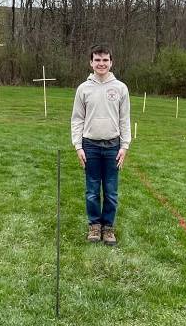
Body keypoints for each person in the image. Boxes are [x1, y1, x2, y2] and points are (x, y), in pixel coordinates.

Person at [71, 44, 131, 245]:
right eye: (97, 60)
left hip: (113, 146)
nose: (101, 63)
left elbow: (125, 119)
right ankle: (94, 226)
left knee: (111, 191)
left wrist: (124, 146)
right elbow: (77, 119)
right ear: (91, 63)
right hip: (91, 147)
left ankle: (108, 228)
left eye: (105, 60)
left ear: (111, 62)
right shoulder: (83, 89)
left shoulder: (121, 88)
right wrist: (78, 146)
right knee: (92, 190)